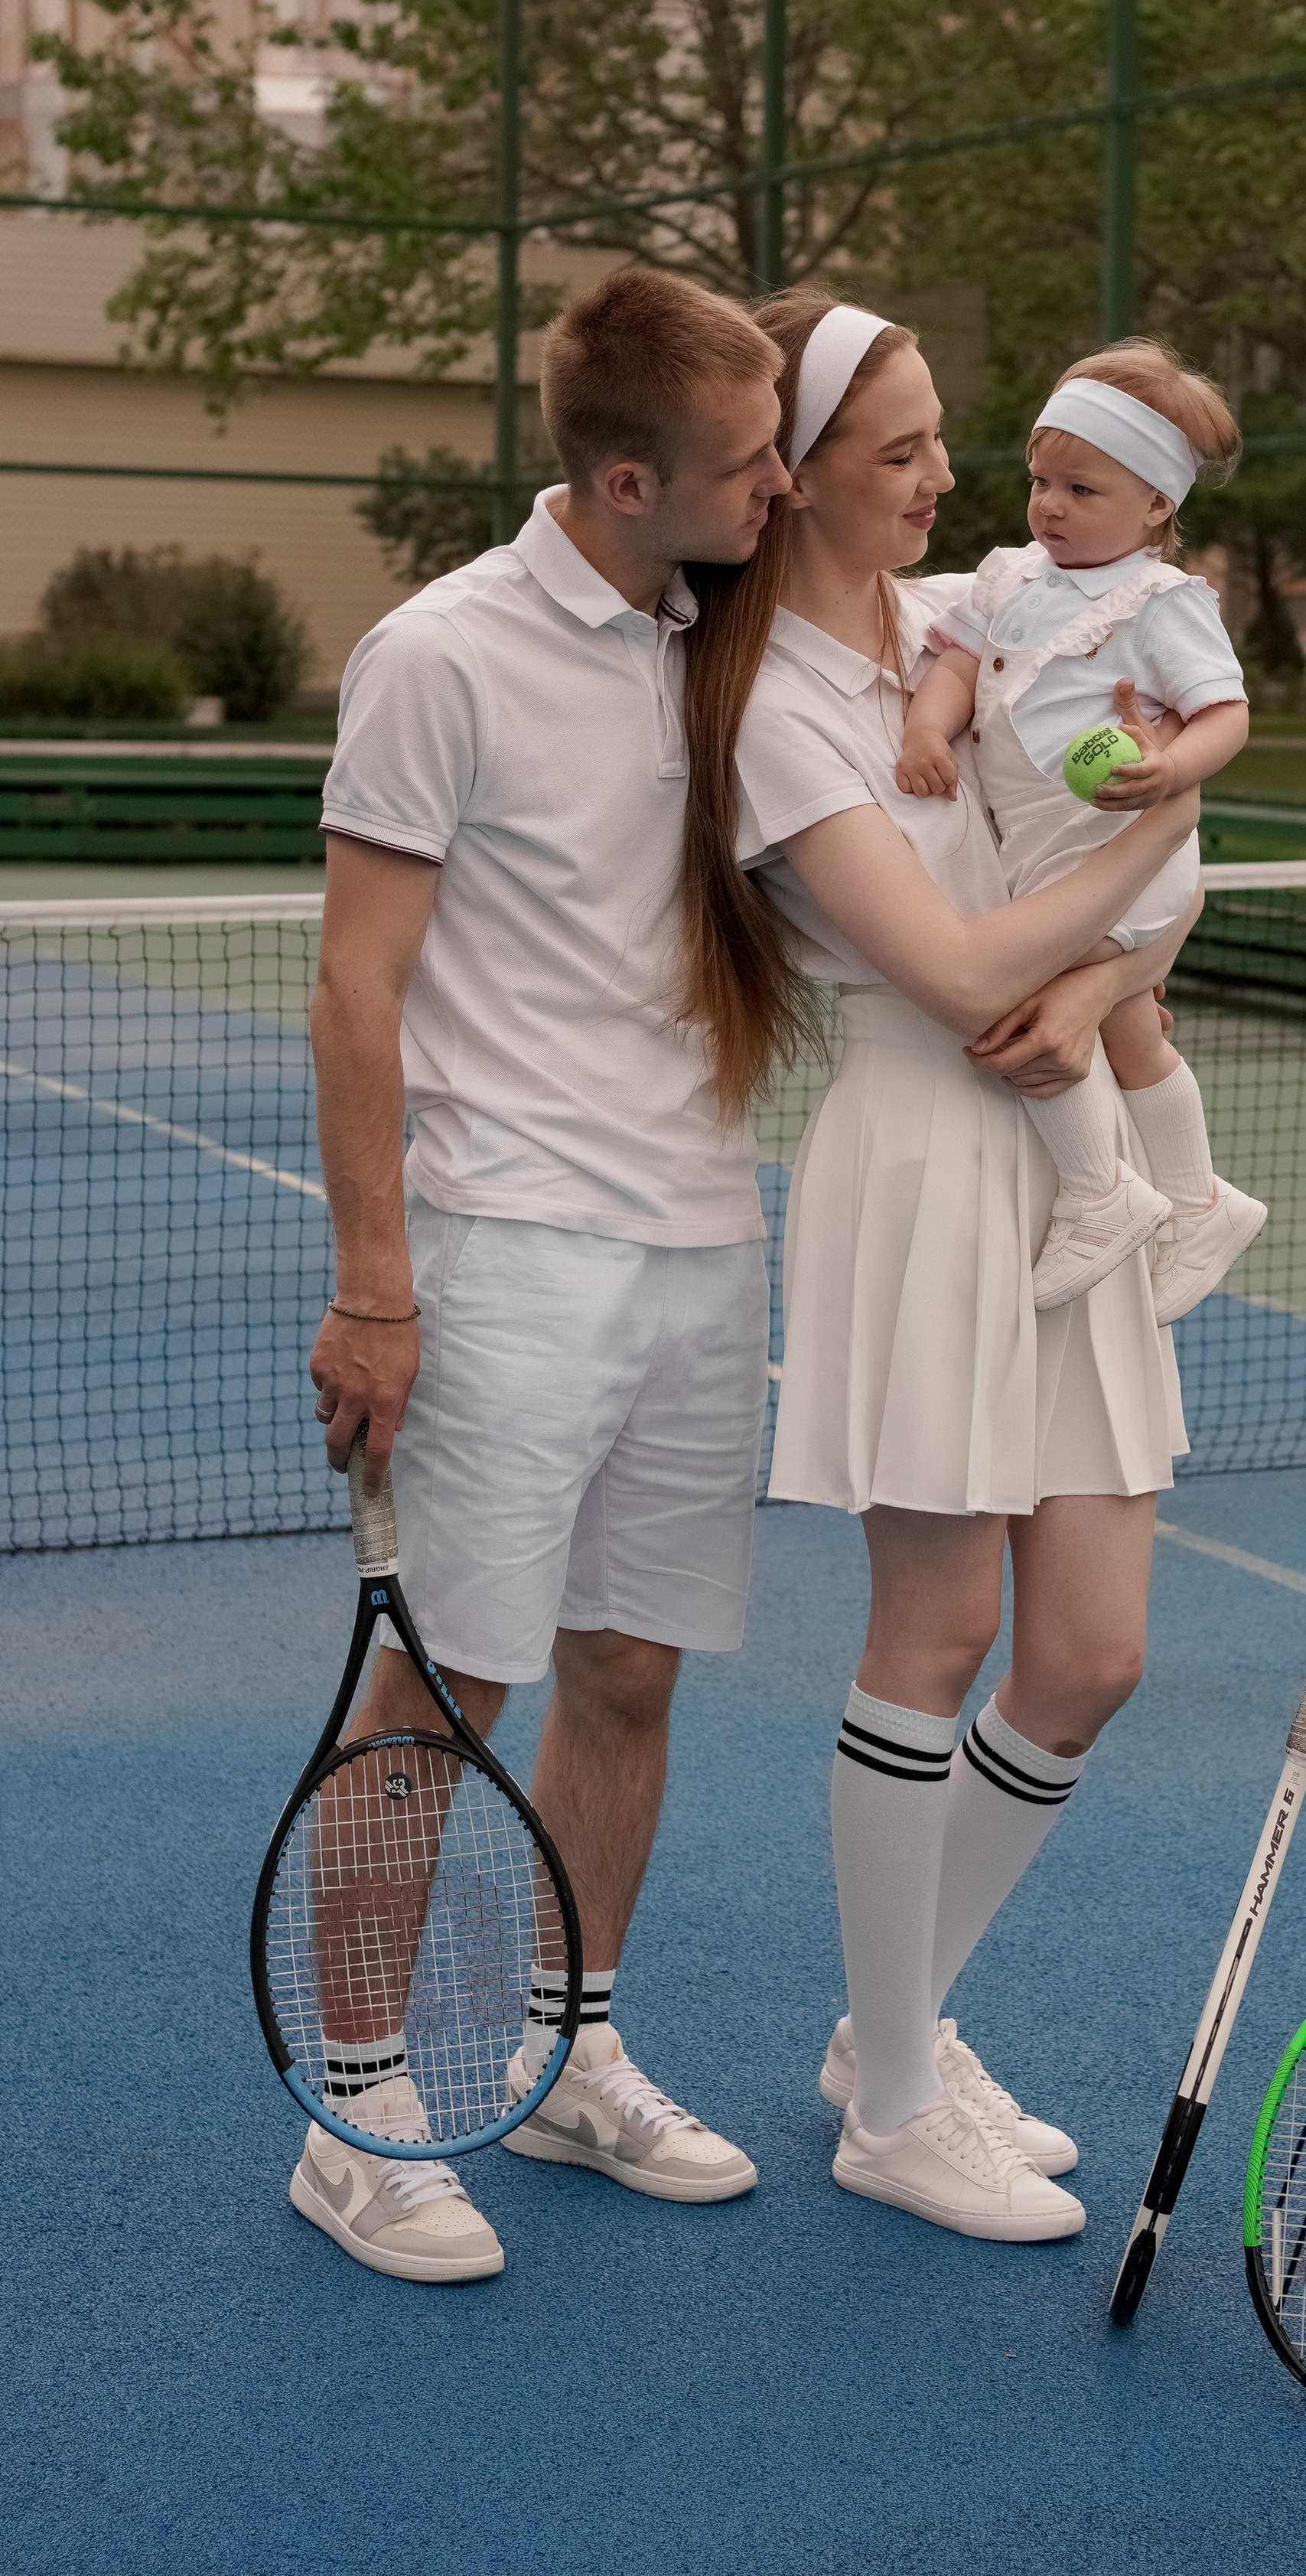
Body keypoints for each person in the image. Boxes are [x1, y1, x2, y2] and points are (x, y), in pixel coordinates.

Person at [676, 291, 1201, 2244]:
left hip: (1063, 1152)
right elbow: (958, 968)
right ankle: (895, 2093)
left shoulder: (997, 613)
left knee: (1089, 1651)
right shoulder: (771, 710)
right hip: (916, 1152)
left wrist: (1108, 961)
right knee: (936, 1629)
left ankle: (882, 2029)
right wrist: (1114, 905)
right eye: (896, 449)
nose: (942, 476)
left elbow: (1124, 884)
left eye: (939, 441)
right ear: (789, 473)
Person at [298, 266, 793, 2283]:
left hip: (704, 1245)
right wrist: (377, 1282)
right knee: (450, 1690)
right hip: (504, 1255)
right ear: (618, 476)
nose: (782, 491)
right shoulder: (439, 657)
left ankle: (569, 2059)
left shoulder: (726, 642)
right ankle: (355, 2106)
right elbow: (357, 984)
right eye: (751, 464)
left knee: (628, 1670)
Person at [894, 338, 1267, 1316]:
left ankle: (1102, 1194)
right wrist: (927, 729)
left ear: (1156, 507)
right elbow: (957, 670)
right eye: (1040, 481)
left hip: (1120, 853)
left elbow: (1224, 714)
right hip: (1042, 853)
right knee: (1130, 1028)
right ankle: (1195, 1202)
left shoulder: (1164, 603)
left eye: (1082, 489)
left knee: (1027, 997)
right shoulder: (1006, 580)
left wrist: (1166, 769)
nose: (1050, 505)